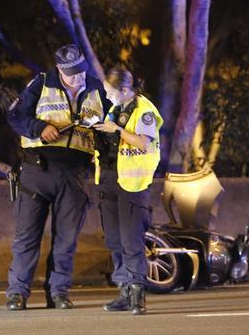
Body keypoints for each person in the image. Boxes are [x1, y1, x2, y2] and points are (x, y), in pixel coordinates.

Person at [5, 44, 111, 311]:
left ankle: (59, 293)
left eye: (80, 72)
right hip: (37, 170)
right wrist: (39, 127)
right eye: (71, 74)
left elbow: (111, 128)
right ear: (60, 70)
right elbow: (15, 115)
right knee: (27, 236)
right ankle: (17, 293)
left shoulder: (97, 88)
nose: (78, 78)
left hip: (75, 173)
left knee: (66, 239)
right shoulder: (41, 84)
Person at [93, 67, 163, 315]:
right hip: (111, 181)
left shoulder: (144, 110)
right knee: (114, 240)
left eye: (111, 92)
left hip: (133, 186)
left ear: (125, 90)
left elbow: (143, 143)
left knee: (131, 241)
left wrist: (118, 130)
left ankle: (137, 294)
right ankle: (123, 290)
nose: (107, 96)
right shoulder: (116, 109)